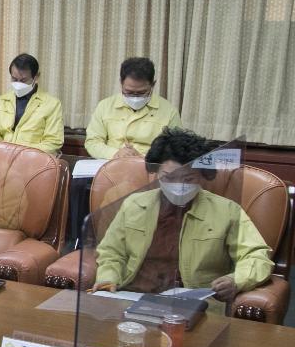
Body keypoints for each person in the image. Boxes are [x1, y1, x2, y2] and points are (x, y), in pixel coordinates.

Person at [93, 128, 272, 309]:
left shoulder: (227, 211)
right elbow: (111, 251)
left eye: (188, 178)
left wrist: (235, 280)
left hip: (194, 304)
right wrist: (108, 278)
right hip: (133, 296)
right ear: (155, 173)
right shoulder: (134, 204)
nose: (179, 186)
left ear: (202, 176)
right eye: (169, 178)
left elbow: (257, 256)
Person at [84, 57, 180, 159]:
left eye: (142, 93)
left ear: (153, 84)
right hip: (111, 164)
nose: (135, 97)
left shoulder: (169, 111)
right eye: (129, 92)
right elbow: (92, 142)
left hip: (149, 167)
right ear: (121, 83)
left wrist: (144, 157)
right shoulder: (105, 106)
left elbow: (177, 148)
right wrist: (114, 154)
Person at [0, 53, 64, 154]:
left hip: (33, 162)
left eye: (23, 80)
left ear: (36, 77)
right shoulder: (1, 101)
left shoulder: (52, 104)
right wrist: (2, 151)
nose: (18, 84)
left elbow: (53, 142)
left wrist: (21, 154)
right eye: (14, 79)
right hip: (2, 158)